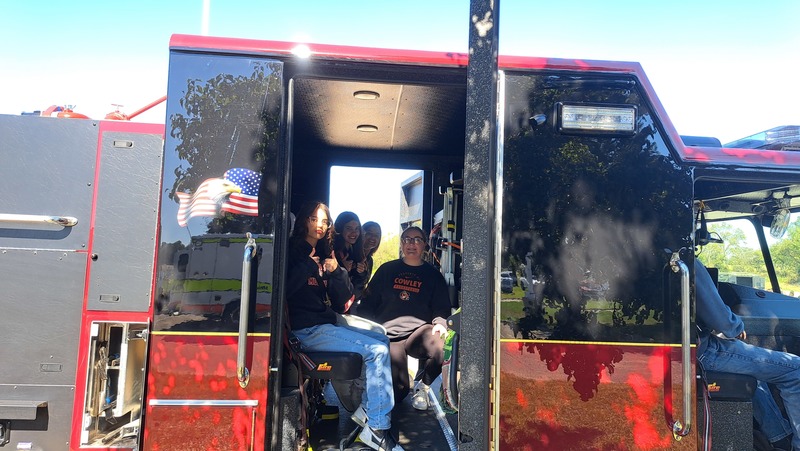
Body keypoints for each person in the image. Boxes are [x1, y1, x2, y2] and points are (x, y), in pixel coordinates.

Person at [286, 201, 403, 451]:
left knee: (382, 340)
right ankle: (377, 429)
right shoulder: (293, 252)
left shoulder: (325, 252)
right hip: (305, 330)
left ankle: (368, 411)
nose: (320, 225)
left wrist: (336, 271)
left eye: (324, 221)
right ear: (304, 220)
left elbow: (343, 300)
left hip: (324, 322)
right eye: (314, 219)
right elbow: (286, 289)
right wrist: (312, 264)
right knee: (377, 351)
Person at [695, 260, 800, 450]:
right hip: (704, 352)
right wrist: (736, 327)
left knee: (754, 371)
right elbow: (720, 318)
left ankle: (779, 439)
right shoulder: (688, 260)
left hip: (694, 349)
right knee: (796, 370)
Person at [358, 226, 452, 410]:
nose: (412, 244)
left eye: (417, 239)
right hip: (389, 337)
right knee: (399, 393)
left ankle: (422, 386)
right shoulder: (387, 270)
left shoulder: (434, 275)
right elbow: (369, 302)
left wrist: (440, 324)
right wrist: (362, 328)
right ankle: (401, 388)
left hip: (417, 334)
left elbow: (441, 307)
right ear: (402, 244)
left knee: (442, 344)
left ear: (424, 245)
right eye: (407, 239)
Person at [334, 211, 370, 299]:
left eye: (357, 229)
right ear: (340, 228)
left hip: (348, 305)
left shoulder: (357, 252)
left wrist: (361, 273)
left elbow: (357, 291)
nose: (354, 233)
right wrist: (341, 269)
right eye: (349, 228)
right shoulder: (331, 251)